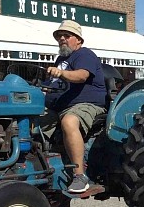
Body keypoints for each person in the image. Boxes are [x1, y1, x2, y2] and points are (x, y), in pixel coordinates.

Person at [40, 20, 107, 193]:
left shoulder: (84, 55)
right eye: (59, 36)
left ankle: (80, 176)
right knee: (28, 121)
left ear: (78, 40)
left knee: (69, 121)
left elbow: (81, 76)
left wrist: (61, 73)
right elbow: (50, 85)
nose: (62, 38)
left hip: (86, 104)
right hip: (59, 106)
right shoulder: (60, 59)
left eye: (67, 36)